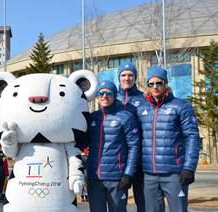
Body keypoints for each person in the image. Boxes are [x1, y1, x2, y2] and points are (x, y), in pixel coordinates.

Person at [137, 66, 200, 212]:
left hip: (174, 174)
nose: (155, 87)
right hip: (149, 174)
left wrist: (189, 168)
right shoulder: (141, 109)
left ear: (166, 84)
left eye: (159, 83)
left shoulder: (181, 106)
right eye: (151, 84)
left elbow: (192, 137)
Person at [86, 80, 140, 212]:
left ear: (115, 96)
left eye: (108, 93)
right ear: (98, 96)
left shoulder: (125, 117)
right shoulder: (92, 118)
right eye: (101, 93)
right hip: (94, 178)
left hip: (116, 178)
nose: (104, 96)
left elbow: (134, 147)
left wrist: (128, 174)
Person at [117, 62, 145, 212]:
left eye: (130, 75)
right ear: (119, 77)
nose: (127, 78)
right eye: (123, 75)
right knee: (119, 203)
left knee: (143, 202)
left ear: (135, 77)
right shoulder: (111, 99)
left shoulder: (144, 99)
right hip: (119, 159)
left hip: (140, 159)